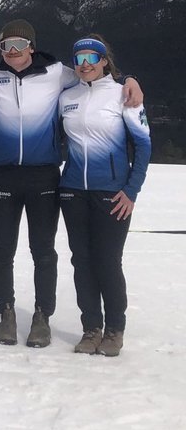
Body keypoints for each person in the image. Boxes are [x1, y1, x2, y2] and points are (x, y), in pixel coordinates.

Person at [0, 19, 143, 349]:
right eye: (6, 46)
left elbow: (93, 76)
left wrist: (129, 80)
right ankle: (6, 312)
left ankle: (42, 316)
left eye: (19, 45)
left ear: (32, 46)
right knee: (2, 248)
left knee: (43, 251)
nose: (13, 52)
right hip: (5, 174)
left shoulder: (57, 72)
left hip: (44, 174)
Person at [59, 36, 150, 357]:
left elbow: (143, 146)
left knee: (108, 262)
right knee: (81, 262)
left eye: (91, 57)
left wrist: (131, 190)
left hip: (112, 193)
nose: (84, 63)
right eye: (79, 57)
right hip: (72, 191)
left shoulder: (123, 94)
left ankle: (114, 330)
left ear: (104, 61)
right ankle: (91, 328)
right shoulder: (66, 96)